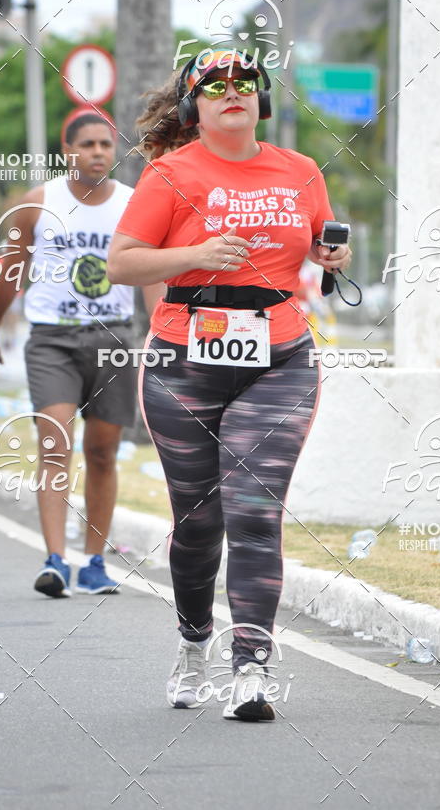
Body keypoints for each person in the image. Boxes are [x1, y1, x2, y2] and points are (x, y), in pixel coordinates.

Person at [107, 51, 351, 720]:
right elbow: (121, 264)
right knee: (198, 521)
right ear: (195, 108)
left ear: (261, 100)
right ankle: (194, 641)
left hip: (279, 358)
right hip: (184, 361)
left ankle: (251, 667)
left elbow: (317, 244)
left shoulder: (300, 171)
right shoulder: (170, 174)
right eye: (214, 86)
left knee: (253, 510)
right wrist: (196, 255)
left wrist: (331, 254)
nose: (232, 91)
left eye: (245, 82)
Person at [0, 112, 162, 598]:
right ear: (67, 151)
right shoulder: (37, 204)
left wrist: (162, 336)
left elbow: (150, 274)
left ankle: (94, 563)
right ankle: (55, 561)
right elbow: (10, 274)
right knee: (55, 444)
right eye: (87, 144)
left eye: (105, 144)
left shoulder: (134, 204)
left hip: (113, 340)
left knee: (102, 451)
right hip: (52, 341)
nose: (98, 152)